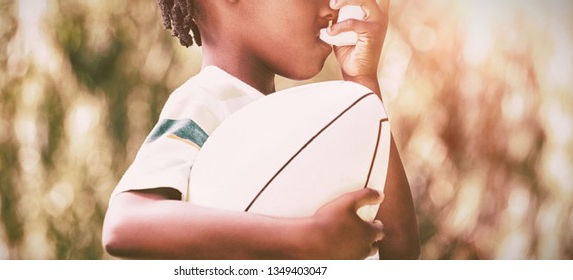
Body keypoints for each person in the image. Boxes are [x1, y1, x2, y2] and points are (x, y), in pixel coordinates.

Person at [102, 0, 419, 259]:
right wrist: (305, 239)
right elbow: (125, 222)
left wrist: (363, 82)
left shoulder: (303, 128)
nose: (331, 7)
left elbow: (400, 250)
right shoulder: (208, 99)